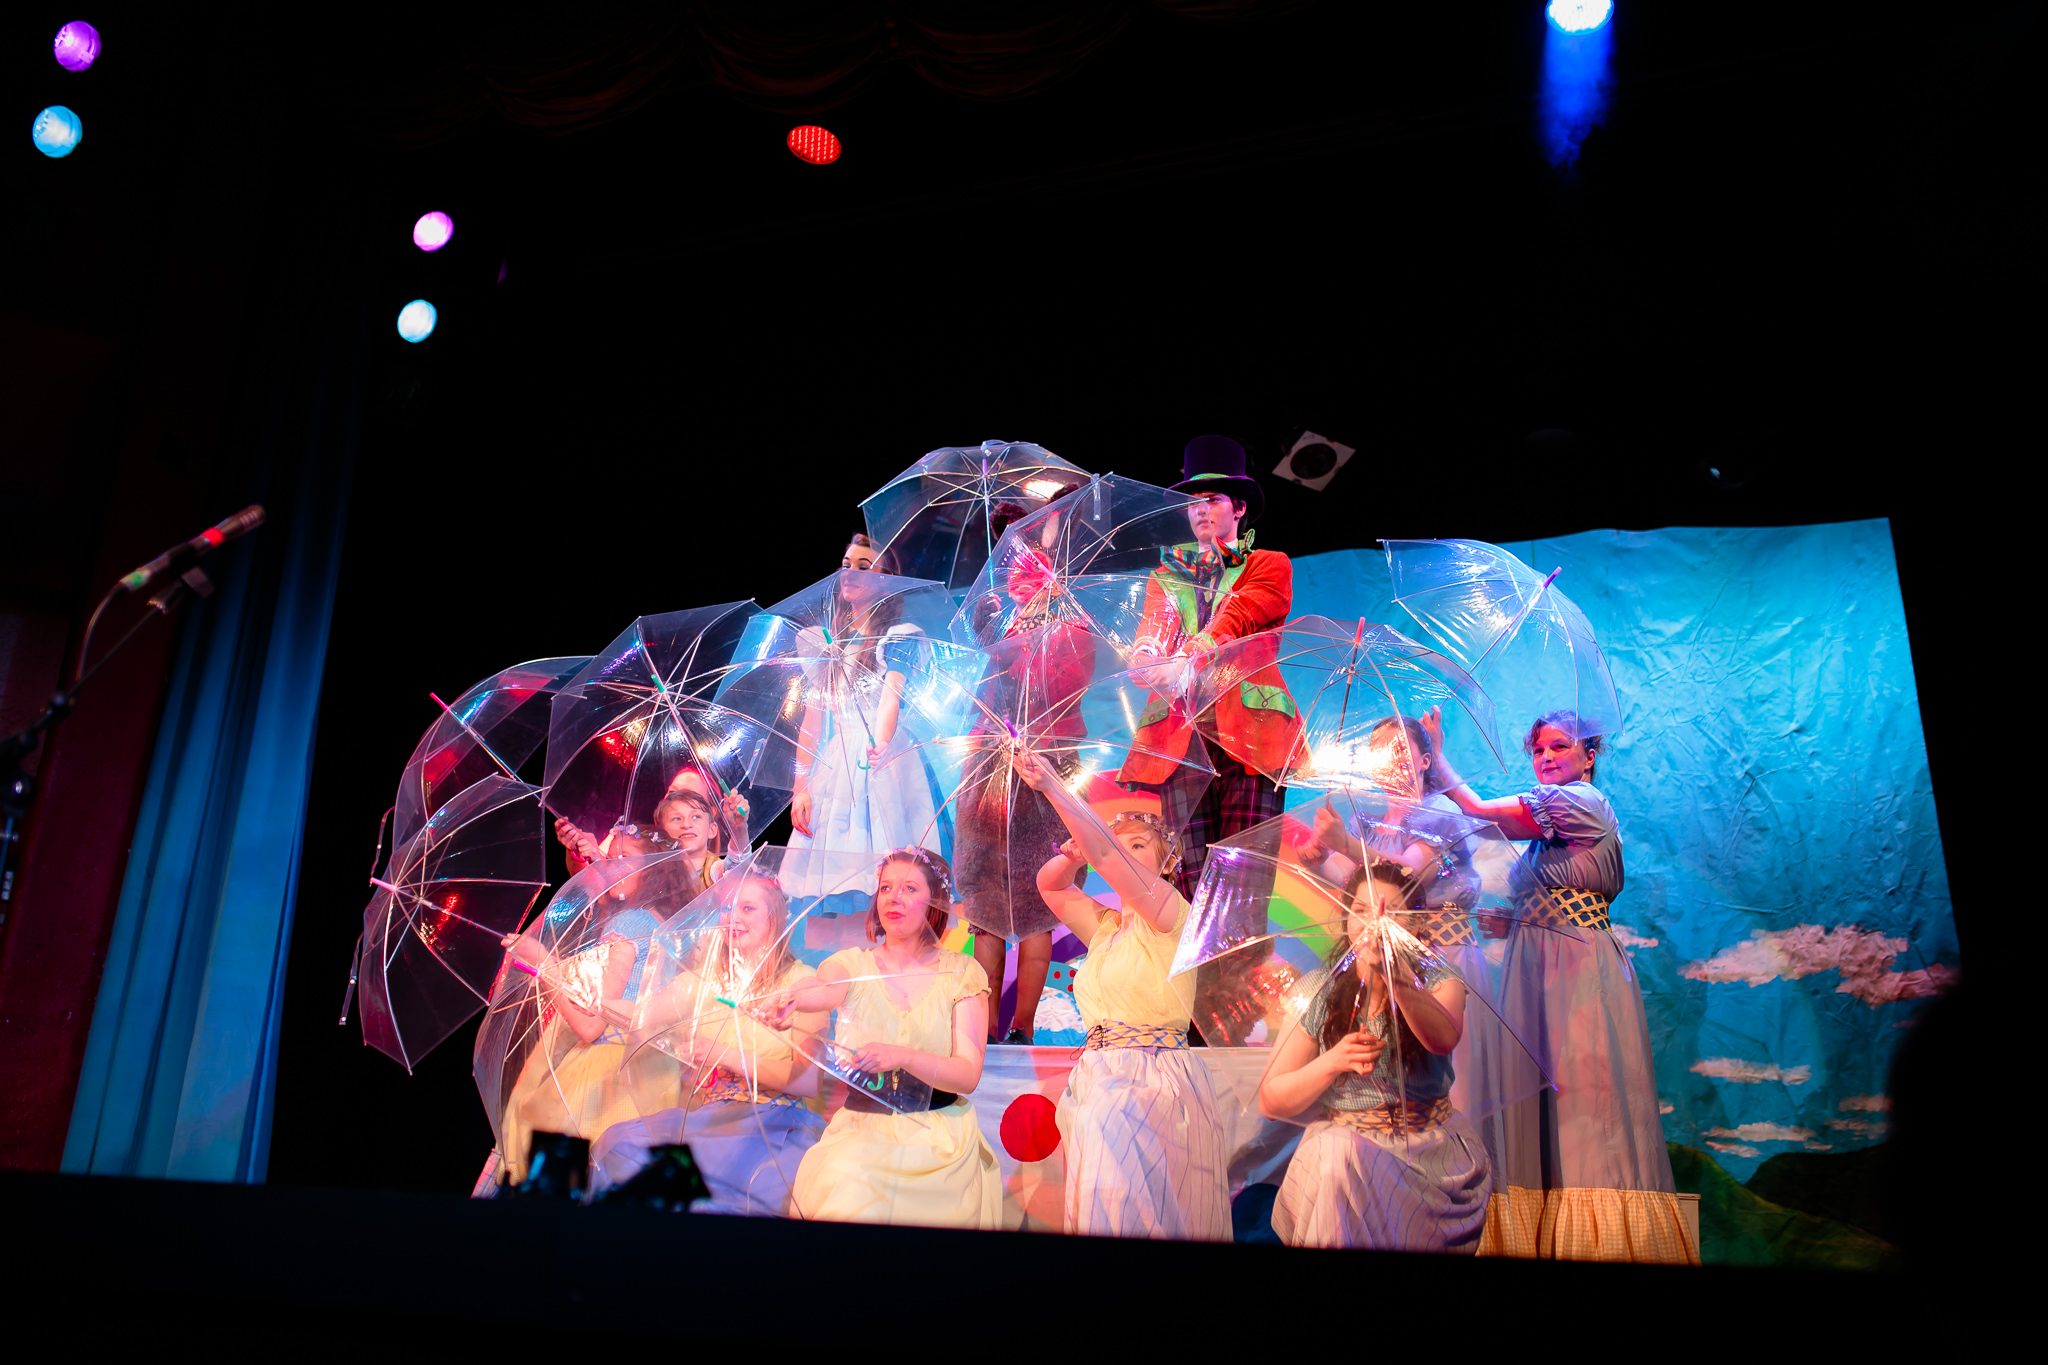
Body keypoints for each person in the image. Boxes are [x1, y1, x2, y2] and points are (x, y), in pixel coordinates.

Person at [1419, 705, 1697, 1263]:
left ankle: (1602, 1247)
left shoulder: (1580, 802)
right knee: (1538, 1104)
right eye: (1539, 749)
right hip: (1537, 967)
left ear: (1589, 757)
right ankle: (1542, 1237)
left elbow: (1480, 812)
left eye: (1559, 747)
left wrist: (1438, 758)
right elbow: (1551, 891)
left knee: (1585, 1108)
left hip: (1576, 969)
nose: (1545, 757)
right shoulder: (1549, 831)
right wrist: (1512, 920)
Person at [1020, 750, 1231, 1241]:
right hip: (1098, 1075)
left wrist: (1053, 787)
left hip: (1151, 1077)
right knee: (1101, 1206)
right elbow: (1049, 886)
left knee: (1143, 1211)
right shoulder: (1107, 927)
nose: (1125, 854)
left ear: (1166, 862)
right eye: (1120, 846)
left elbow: (1106, 858)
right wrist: (1071, 856)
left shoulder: (1172, 914)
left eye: (1139, 845)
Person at [1257, 858, 1492, 1252]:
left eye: (1390, 913)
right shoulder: (1321, 990)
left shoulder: (1440, 981)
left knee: (1337, 1158)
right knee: (1336, 1153)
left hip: (1426, 1154)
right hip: (1344, 1154)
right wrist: (1333, 1061)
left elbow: (1442, 1039)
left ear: (1415, 926)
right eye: (1361, 910)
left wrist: (1394, 974)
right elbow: (1270, 1101)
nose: (1373, 922)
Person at [1118, 435, 1302, 907]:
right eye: (1193, 502)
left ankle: (1239, 959)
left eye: (1213, 499)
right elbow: (1155, 626)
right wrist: (1146, 657)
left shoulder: (1268, 564)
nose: (1200, 509)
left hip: (1253, 737)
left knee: (1244, 886)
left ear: (1239, 508)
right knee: (1189, 885)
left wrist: (1192, 654)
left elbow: (1239, 616)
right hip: (1182, 738)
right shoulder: (1165, 577)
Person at [778, 848, 1001, 1228]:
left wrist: (903, 1056)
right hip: (862, 1129)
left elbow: (967, 1075)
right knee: (849, 1191)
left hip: (938, 1137)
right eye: (885, 888)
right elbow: (822, 988)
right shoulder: (852, 964)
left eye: (909, 888)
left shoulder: (962, 972)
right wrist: (793, 997)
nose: (893, 898)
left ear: (935, 901)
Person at [590, 872, 829, 1214]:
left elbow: (807, 1081)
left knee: (713, 1200)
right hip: (713, 1118)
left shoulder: (801, 984)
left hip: (774, 1124)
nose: (733, 917)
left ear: (773, 918)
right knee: (619, 1144)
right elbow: (643, 1014)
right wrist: (591, 1000)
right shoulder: (705, 981)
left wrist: (723, 1055)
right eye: (727, 908)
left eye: (747, 908)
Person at [953, 486, 1087, 1044]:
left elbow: (1068, 685)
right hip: (990, 760)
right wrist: (1009, 628)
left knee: (1039, 898)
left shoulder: (1075, 613)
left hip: (1046, 761)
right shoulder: (998, 608)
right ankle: (983, 1031)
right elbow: (983, 662)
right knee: (986, 908)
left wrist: (1039, 634)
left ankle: (1022, 1029)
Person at [493, 828, 688, 1184]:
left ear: (653, 870)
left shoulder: (628, 925)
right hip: (651, 1073)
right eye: (609, 858)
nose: (610, 866)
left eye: (624, 859)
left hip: (606, 1075)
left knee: (566, 1186)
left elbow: (590, 1026)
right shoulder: (664, 925)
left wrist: (543, 963)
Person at [787, 535, 945, 860]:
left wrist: (882, 745)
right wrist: (800, 788)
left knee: (890, 854)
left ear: (884, 581)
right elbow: (811, 722)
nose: (851, 573)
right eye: (846, 565)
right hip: (839, 762)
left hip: (882, 753)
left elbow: (891, 699)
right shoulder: (827, 644)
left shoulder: (897, 637)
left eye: (863, 566)